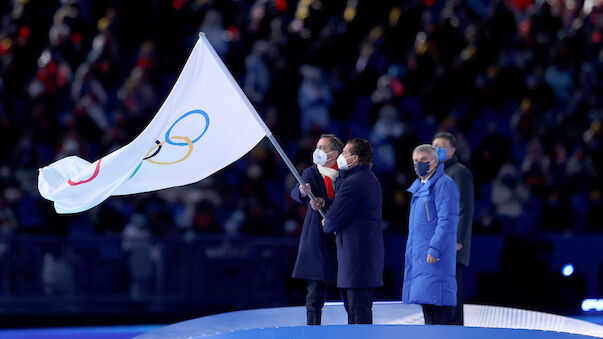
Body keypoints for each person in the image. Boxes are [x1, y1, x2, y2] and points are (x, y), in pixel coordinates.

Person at [315, 138, 384, 324]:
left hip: (356, 259)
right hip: (362, 257)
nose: (340, 156)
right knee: (358, 311)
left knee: (357, 314)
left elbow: (333, 220)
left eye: (345, 153)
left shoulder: (354, 182)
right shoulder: (367, 178)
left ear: (356, 158)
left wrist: (328, 221)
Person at [290, 134, 343, 325]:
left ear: (335, 153)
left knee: (347, 289)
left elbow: (347, 199)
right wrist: (302, 192)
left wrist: (324, 201)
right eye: (317, 147)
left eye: (323, 148)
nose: (317, 151)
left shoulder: (345, 173)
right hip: (317, 238)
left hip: (342, 237)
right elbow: (297, 191)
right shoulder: (310, 172)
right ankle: (313, 331)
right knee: (314, 291)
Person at [403, 144, 459, 325]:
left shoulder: (444, 185)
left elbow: (447, 221)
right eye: (415, 161)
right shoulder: (419, 188)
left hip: (435, 258)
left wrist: (434, 249)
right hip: (421, 258)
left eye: (423, 160)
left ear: (434, 162)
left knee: (440, 312)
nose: (419, 164)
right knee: (428, 313)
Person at [432, 132, 474, 325]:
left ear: (453, 150)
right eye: (435, 146)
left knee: (451, 289)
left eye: (442, 146)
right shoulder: (435, 173)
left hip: (451, 244)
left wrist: (458, 240)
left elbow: (464, 208)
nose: (437, 149)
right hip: (437, 242)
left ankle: (454, 331)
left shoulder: (459, 172)